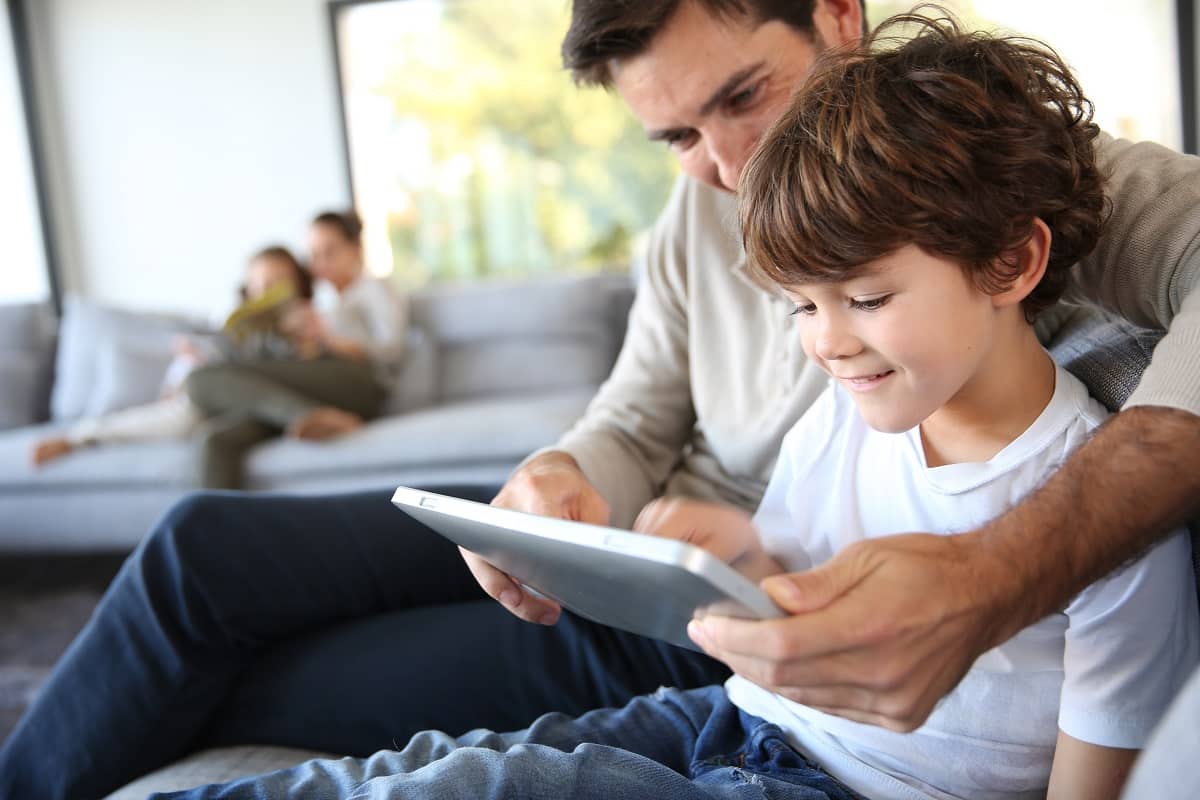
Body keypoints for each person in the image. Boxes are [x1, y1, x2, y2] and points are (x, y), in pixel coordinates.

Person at [0, 1, 1197, 797]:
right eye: (676, 133)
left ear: (839, 15)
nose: (724, 167)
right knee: (201, 552)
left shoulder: (1016, 178)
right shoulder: (704, 217)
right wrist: (567, 481)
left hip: (716, 636)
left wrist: (1010, 565)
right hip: (677, 554)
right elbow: (632, 414)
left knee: (248, 678)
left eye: (742, 98)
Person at [26, 245, 314, 478]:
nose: (267, 293)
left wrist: (307, 337)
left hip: (268, 404)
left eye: (278, 283)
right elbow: (211, 364)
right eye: (260, 285)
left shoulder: (310, 322)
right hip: (219, 400)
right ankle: (83, 435)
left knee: (194, 420)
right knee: (185, 410)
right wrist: (188, 367)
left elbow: (318, 372)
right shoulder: (231, 329)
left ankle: (83, 436)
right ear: (248, 289)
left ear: (297, 285)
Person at [183, 210, 409, 487]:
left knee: (201, 379)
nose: (321, 263)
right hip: (313, 390)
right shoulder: (324, 300)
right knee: (216, 439)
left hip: (357, 381)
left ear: (355, 249)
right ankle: (219, 529)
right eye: (314, 255)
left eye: (330, 252)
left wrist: (325, 338)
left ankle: (301, 414)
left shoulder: (373, 288)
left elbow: (390, 351)